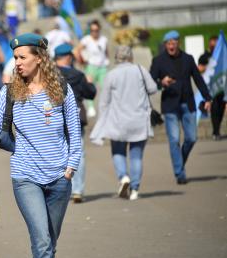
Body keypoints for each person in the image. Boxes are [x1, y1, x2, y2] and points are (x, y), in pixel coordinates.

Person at [0, 33, 81, 258]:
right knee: (42, 241)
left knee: (49, 242)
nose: (16, 62)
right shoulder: (9, 93)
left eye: (21, 57)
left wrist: (70, 168)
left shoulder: (61, 89)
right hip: (26, 176)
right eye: (15, 58)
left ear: (39, 58)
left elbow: (75, 132)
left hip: (59, 177)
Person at [90, 46, 157, 200]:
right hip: (139, 120)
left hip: (118, 121)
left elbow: (104, 101)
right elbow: (153, 88)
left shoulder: (111, 75)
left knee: (118, 152)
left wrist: (102, 120)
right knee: (136, 156)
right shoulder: (140, 70)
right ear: (131, 57)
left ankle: (123, 177)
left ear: (116, 58)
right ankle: (134, 189)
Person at [150, 30, 212, 185]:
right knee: (174, 140)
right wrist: (161, 83)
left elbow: (198, 79)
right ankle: (179, 173)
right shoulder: (158, 61)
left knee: (191, 138)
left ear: (178, 43)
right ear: (165, 45)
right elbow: (150, 82)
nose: (171, 45)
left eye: (174, 43)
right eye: (169, 43)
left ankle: (179, 163)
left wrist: (207, 98)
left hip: (187, 103)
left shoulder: (188, 59)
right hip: (170, 105)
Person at [54, 43, 96, 203]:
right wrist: (90, 82)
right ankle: (77, 189)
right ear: (69, 57)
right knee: (78, 153)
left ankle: (63, 189)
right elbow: (90, 93)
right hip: (76, 116)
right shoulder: (77, 75)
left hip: (54, 118)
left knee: (58, 153)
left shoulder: (48, 74)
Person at [74, 19, 109, 118]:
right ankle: (91, 107)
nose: (94, 32)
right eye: (92, 30)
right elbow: (76, 51)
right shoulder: (86, 39)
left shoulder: (104, 39)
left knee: (105, 87)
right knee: (90, 88)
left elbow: (106, 52)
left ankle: (106, 107)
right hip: (91, 67)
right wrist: (82, 61)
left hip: (102, 67)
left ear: (99, 30)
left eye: (96, 30)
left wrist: (107, 60)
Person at [198, 35, 225, 141]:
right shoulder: (205, 56)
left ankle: (217, 129)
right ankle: (216, 131)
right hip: (210, 87)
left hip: (221, 86)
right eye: (213, 45)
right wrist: (208, 66)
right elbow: (199, 68)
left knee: (221, 107)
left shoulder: (222, 56)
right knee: (214, 108)